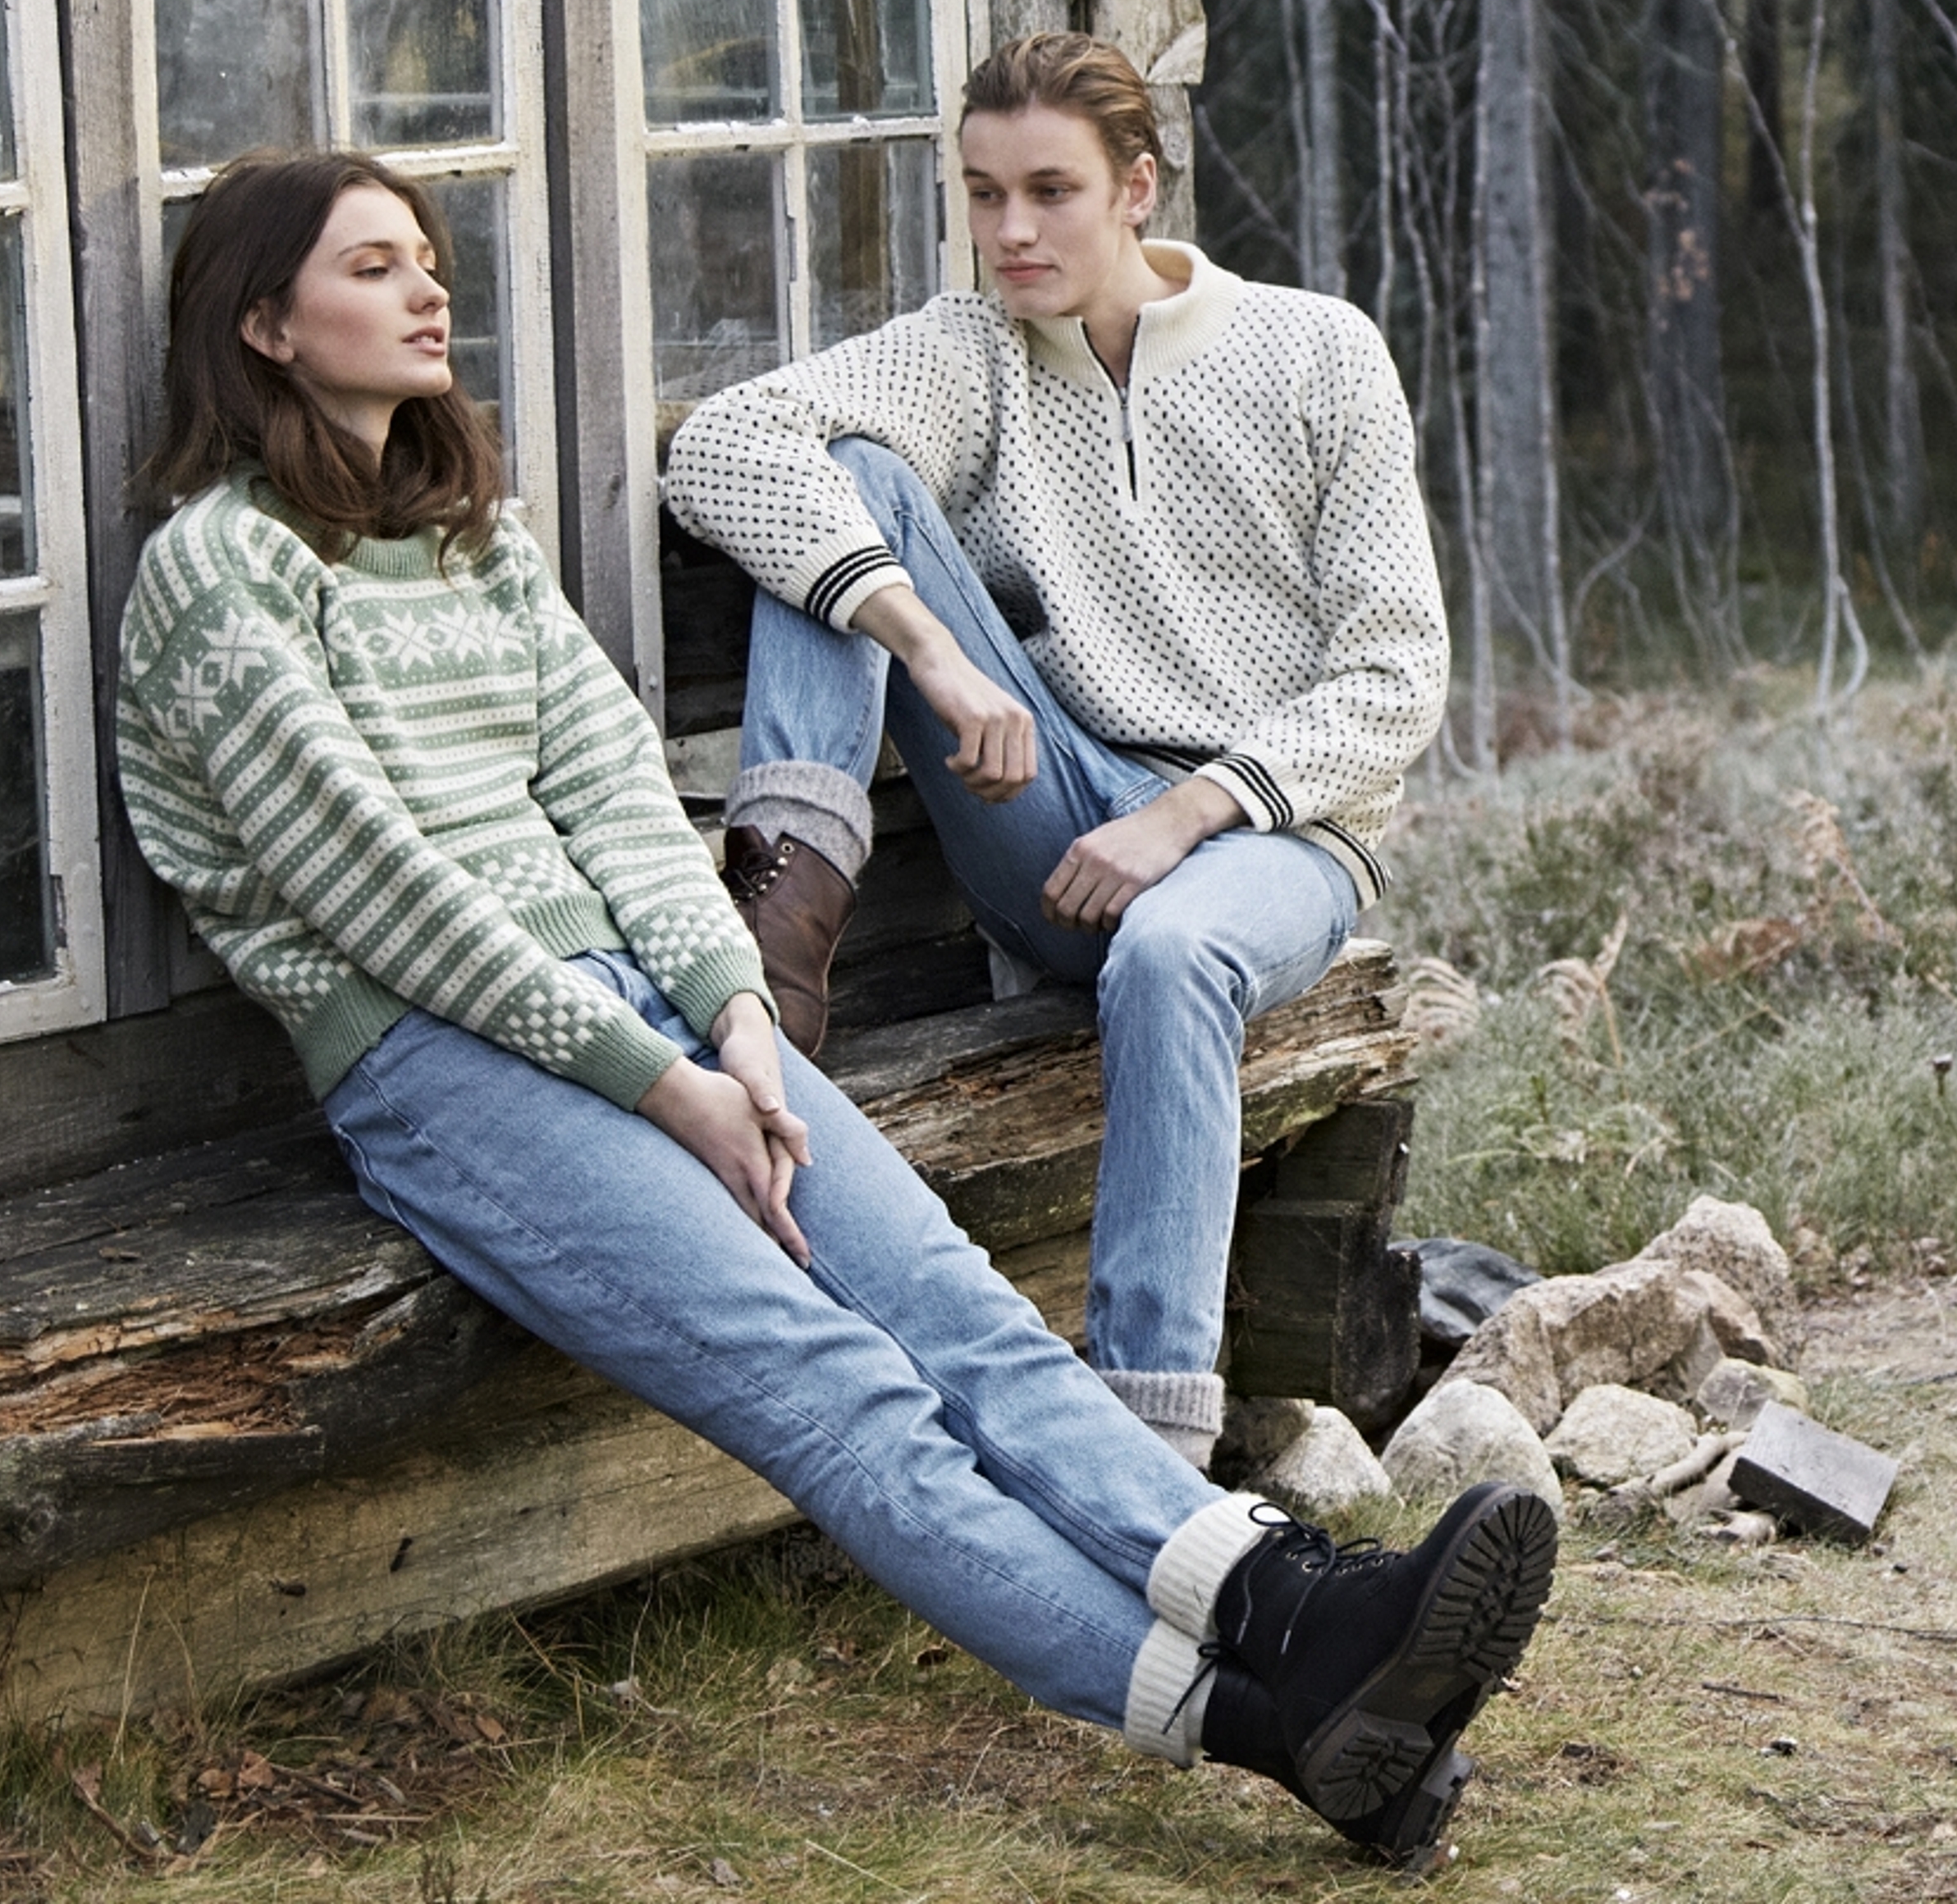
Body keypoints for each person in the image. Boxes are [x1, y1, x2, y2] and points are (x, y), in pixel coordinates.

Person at [112, 148, 1552, 1872]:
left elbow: (619, 797)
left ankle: (1287, 1605)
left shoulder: (466, 546)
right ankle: (1275, 1720)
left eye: (427, 257)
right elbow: (383, 899)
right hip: (446, 1062)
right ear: (265, 326)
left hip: (654, 1014)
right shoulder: (218, 577)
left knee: (956, 1310)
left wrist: (733, 1018)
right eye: (372, 268)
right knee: (842, 1395)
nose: (429, 290)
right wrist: (669, 1085)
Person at [663, 33, 1451, 1471]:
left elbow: (1399, 676)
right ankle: (772, 964)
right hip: (1061, 818)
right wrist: (936, 651)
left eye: (1050, 192)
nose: (1011, 232)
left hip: (1276, 841)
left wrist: (1194, 816)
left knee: (1172, 954)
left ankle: (1146, 1448)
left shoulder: (1319, 349)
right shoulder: (974, 350)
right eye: (981, 195)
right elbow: (728, 442)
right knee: (849, 476)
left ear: (1136, 188)